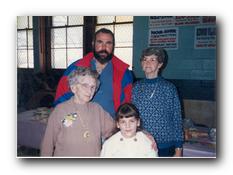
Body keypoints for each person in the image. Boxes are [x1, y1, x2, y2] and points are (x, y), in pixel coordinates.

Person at [54, 28, 133, 117]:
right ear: (93, 44)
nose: (104, 48)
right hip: (80, 122)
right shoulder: (76, 68)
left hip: (111, 125)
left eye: (108, 43)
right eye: (100, 42)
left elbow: (127, 104)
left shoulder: (123, 72)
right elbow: (61, 98)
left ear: (113, 46)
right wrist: (67, 120)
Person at [40, 67, 116, 157]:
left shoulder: (97, 109)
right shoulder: (60, 110)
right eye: (85, 85)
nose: (89, 91)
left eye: (93, 87)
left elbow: (114, 129)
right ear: (73, 88)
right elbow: (47, 143)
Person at [132, 47, 184, 157]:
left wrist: (178, 148)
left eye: (152, 59)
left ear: (160, 64)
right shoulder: (136, 87)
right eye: (145, 59)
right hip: (141, 143)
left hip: (165, 146)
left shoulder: (169, 88)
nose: (147, 62)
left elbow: (177, 118)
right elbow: (132, 116)